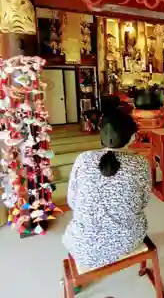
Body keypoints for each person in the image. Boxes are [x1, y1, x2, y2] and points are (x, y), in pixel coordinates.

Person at [62, 110, 151, 269]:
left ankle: (77, 282)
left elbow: (72, 201)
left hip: (83, 246)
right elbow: (143, 202)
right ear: (132, 137)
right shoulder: (140, 164)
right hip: (128, 240)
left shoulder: (83, 159)